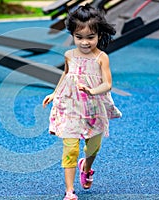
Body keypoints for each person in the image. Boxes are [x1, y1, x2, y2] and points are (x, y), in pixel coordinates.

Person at [42, 4, 122, 200]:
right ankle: (69, 191)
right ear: (72, 35)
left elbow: (108, 84)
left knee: (92, 148)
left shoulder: (102, 58)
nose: (85, 42)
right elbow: (66, 74)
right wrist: (55, 93)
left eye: (90, 37)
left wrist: (91, 90)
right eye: (79, 37)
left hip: (94, 107)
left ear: (99, 35)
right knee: (71, 148)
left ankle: (86, 167)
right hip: (71, 106)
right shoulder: (69, 55)